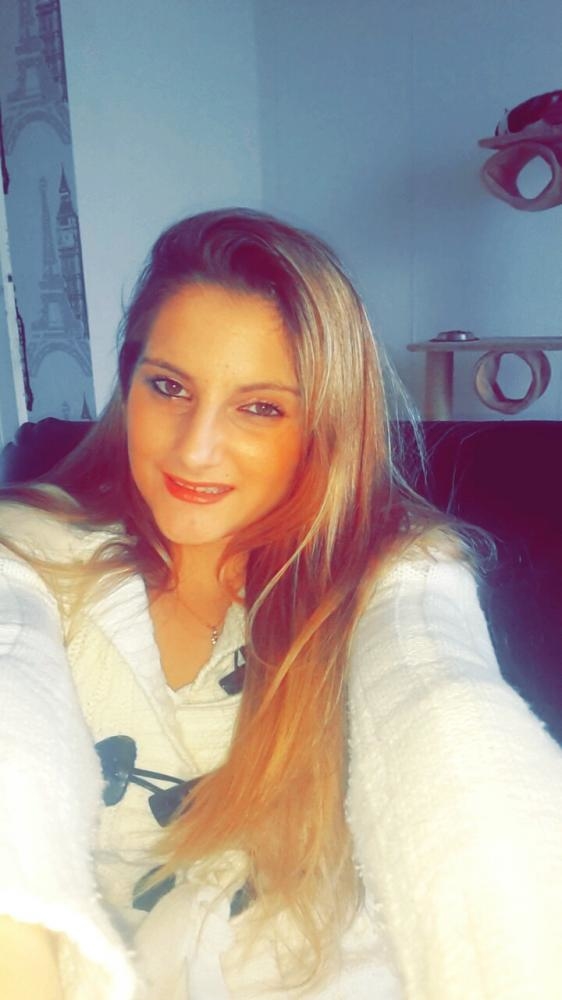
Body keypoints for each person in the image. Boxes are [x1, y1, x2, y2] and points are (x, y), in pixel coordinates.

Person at [0, 208, 561, 1000]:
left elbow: (446, 717)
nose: (195, 448)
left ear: (323, 425)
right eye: (169, 387)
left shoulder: (392, 569)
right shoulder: (26, 552)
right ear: (129, 384)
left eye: (260, 407)